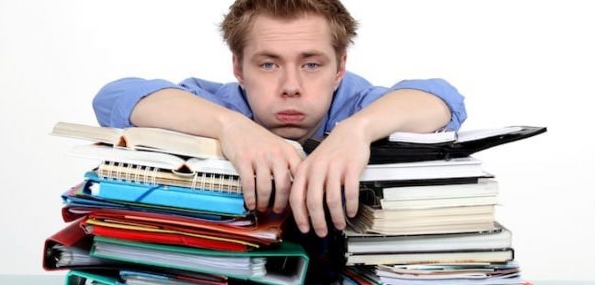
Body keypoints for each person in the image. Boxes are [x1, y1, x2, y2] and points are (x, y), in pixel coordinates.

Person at [92, 0, 467, 238]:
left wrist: (357, 131)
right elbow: (115, 97)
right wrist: (231, 127)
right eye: (268, 64)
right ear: (238, 67)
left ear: (340, 69)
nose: (291, 86)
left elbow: (443, 100)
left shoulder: (358, 106)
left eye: (312, 64)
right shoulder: (219, 106)